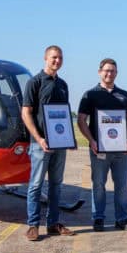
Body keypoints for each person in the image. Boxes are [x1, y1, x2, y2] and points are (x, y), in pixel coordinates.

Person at [21, 45, 76, 241]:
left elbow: (64, 114)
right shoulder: (34, 82)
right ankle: (33, 225)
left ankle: (52, 223)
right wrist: (39, 138)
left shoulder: (63, 85)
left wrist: (69, 138)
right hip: (41, 144)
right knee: (36, 185)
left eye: (60, 58)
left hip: (59, 144)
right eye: (54, 57)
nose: (57, 61)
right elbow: (26, 113)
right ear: (45, 58)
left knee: (56, 185)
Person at [77, 58, 127, 232]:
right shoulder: (90, 94)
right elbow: (81, 120)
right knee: (98, 185)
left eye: (112, 71)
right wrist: (91, 140)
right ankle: (98, 218)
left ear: (116, 73)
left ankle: (122, 218)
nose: (109, 73)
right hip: (99, 150)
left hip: (121, 151)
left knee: (122, 186)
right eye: (106, 70)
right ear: (100, 72)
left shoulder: (124, 95)